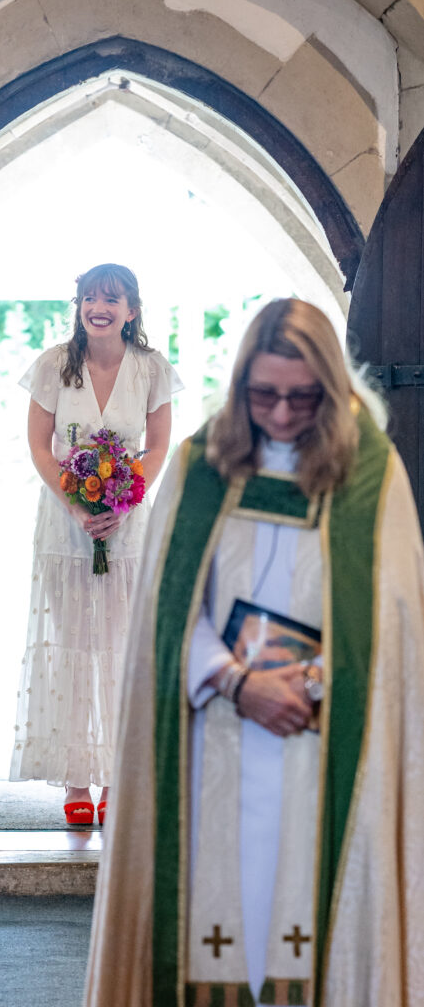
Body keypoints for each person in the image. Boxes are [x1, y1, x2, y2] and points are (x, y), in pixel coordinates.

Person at [85, 298, 424, 1006]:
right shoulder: (201, 464)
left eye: (301, 398)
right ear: (241, 385)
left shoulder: (371, 475)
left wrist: (312, 683)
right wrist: (238, 683)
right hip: (216, 732)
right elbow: (169, 610)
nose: (278, 413)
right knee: (218, 912)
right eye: (263, 394)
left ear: (329, 388)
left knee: (304, 911)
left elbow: (392, 625)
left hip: (321, 734)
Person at [9, 263, 182, 825]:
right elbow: (40, 446)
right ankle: (75, 782)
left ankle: (116, 777)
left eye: (111, 299)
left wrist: (123, 501)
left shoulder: (152, 369)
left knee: (122, 648)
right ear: (79, 306)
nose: (97, 307)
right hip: (65, 522)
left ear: (132, 310)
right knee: (74, 644)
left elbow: (157, 447)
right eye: (89, 298)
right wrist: (77, 503)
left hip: (128, 525)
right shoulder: (54, 366)